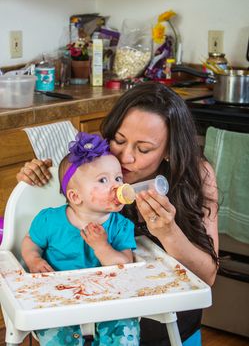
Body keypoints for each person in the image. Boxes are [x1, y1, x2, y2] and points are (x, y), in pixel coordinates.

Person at [17, 82, 219, 346]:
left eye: (143, 149)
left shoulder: (198, 175)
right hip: (92, 323)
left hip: (167, 328)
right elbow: (55, 209)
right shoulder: (96, 162)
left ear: (169, 151)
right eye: (119, 140)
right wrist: (33, 178)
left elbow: (208, 277)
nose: (125, 158)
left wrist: (168, 232)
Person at [21, 132, 139, 346]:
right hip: (59, 297)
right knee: (55, 332)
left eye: (118, 178)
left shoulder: (121, 226)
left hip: (109, 298)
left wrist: (101, 246)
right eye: (103, 180)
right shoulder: (50, 220)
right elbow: (31, 242)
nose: (116, 186)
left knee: (125, 329)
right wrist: (34, 260)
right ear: (75, 196)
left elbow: (124, 264)